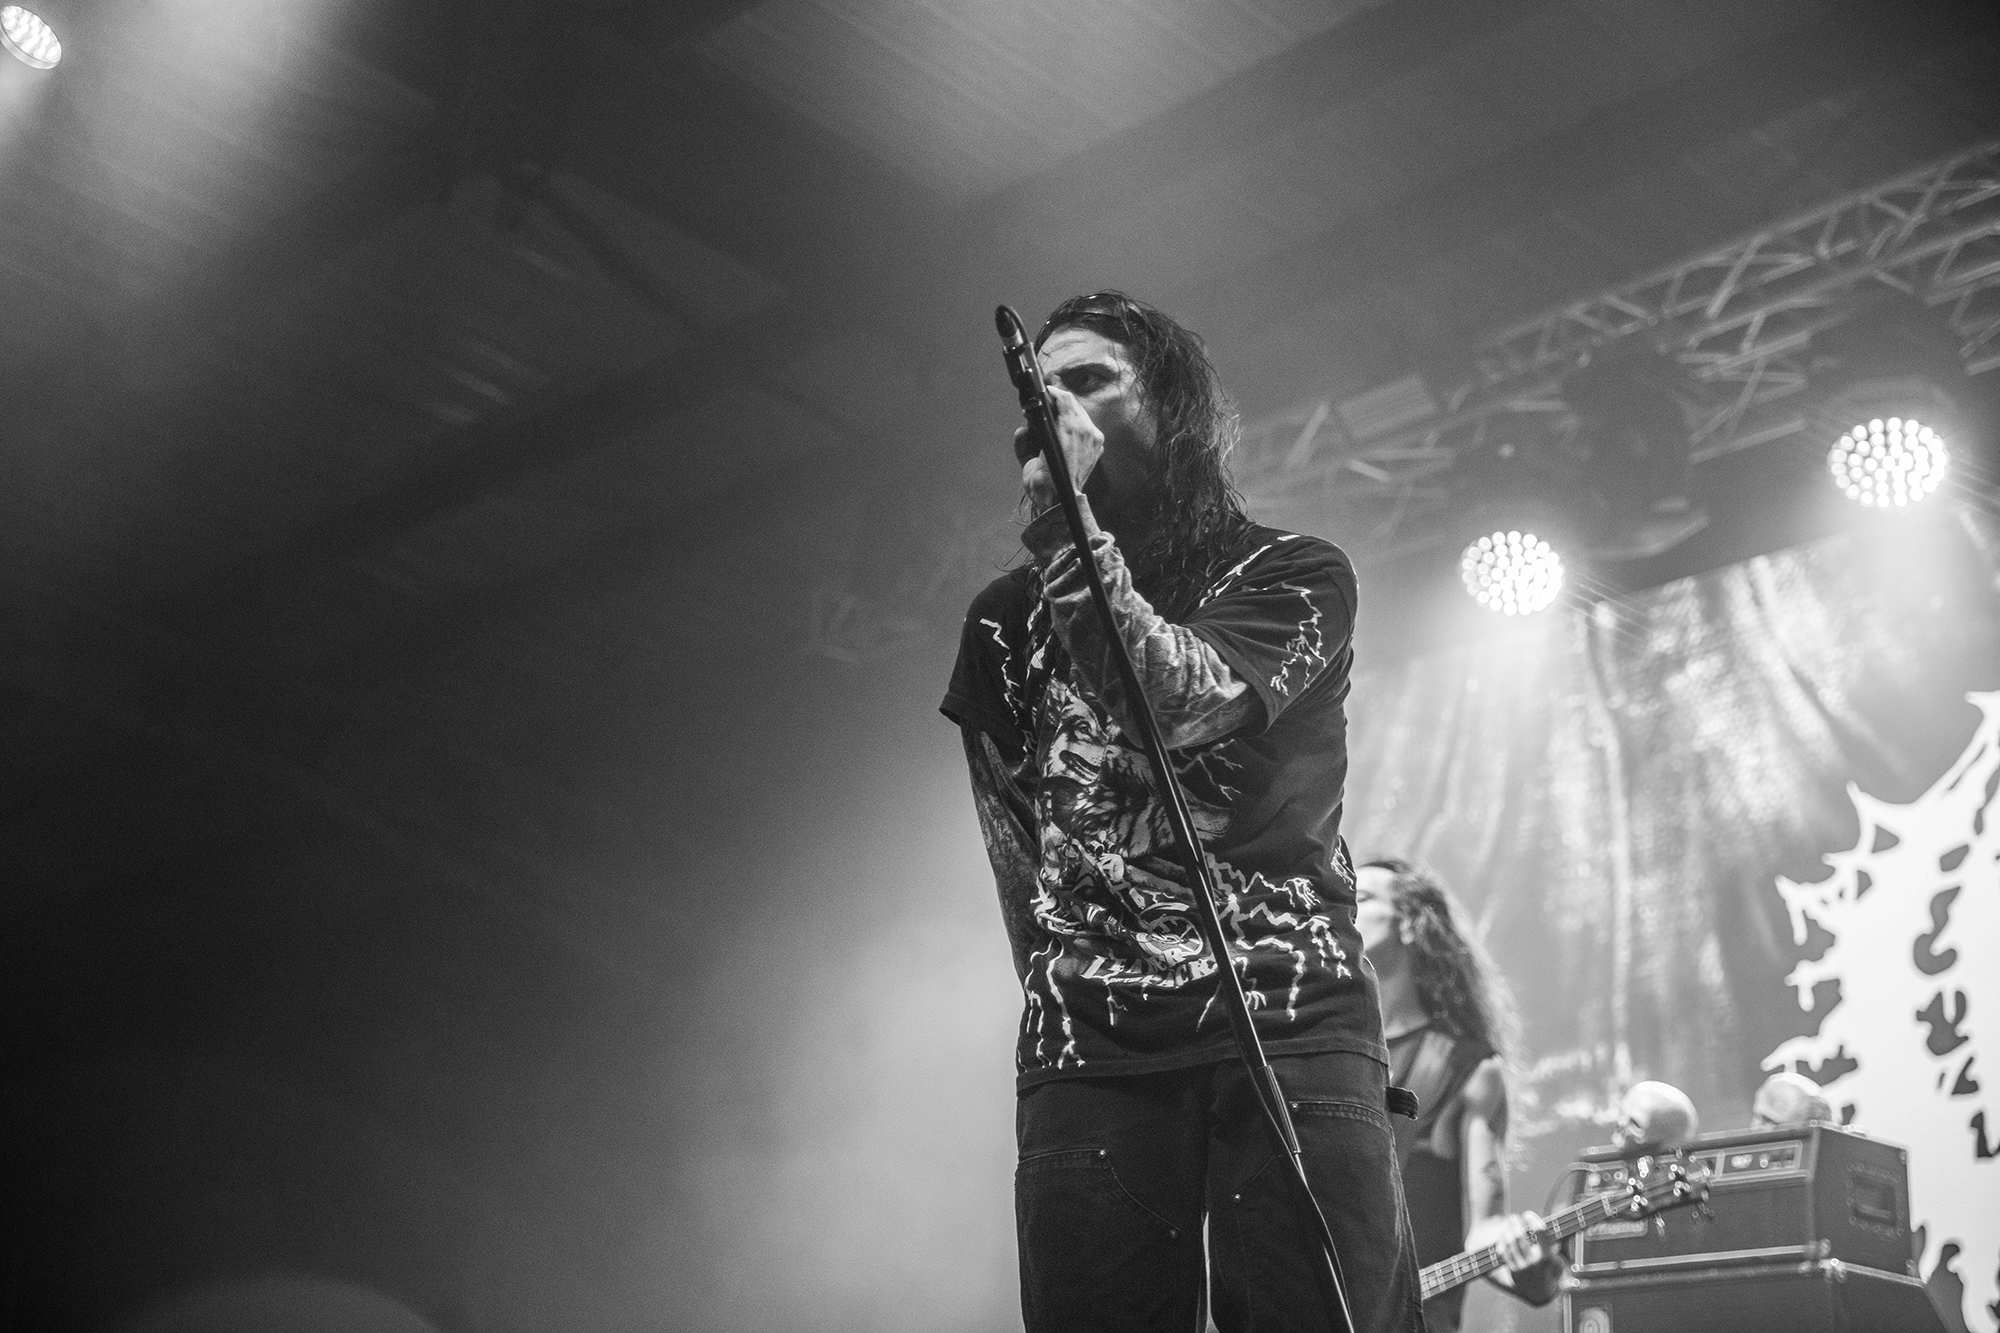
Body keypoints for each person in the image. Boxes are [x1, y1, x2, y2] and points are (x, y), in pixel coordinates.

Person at [942, 292, 1422, 1332]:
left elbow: (1180, 701)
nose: (1051, 410)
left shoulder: (1292, 573)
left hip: (1287, 1017)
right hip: (1093, 1044)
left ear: (1174, 410)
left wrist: (1061, 530)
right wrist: (1063, 997)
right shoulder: (1001, 622)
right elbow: (1020, 852)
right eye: (1038, 391)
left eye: (1087, 382)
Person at [1354, 856, 1565, 1333]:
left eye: (1361, 899)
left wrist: (1524, 1258)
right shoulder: (1325, 1060)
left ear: (1411, 923)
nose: (1341, 910)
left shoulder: (1468, 1069)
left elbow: (1484, 1230)